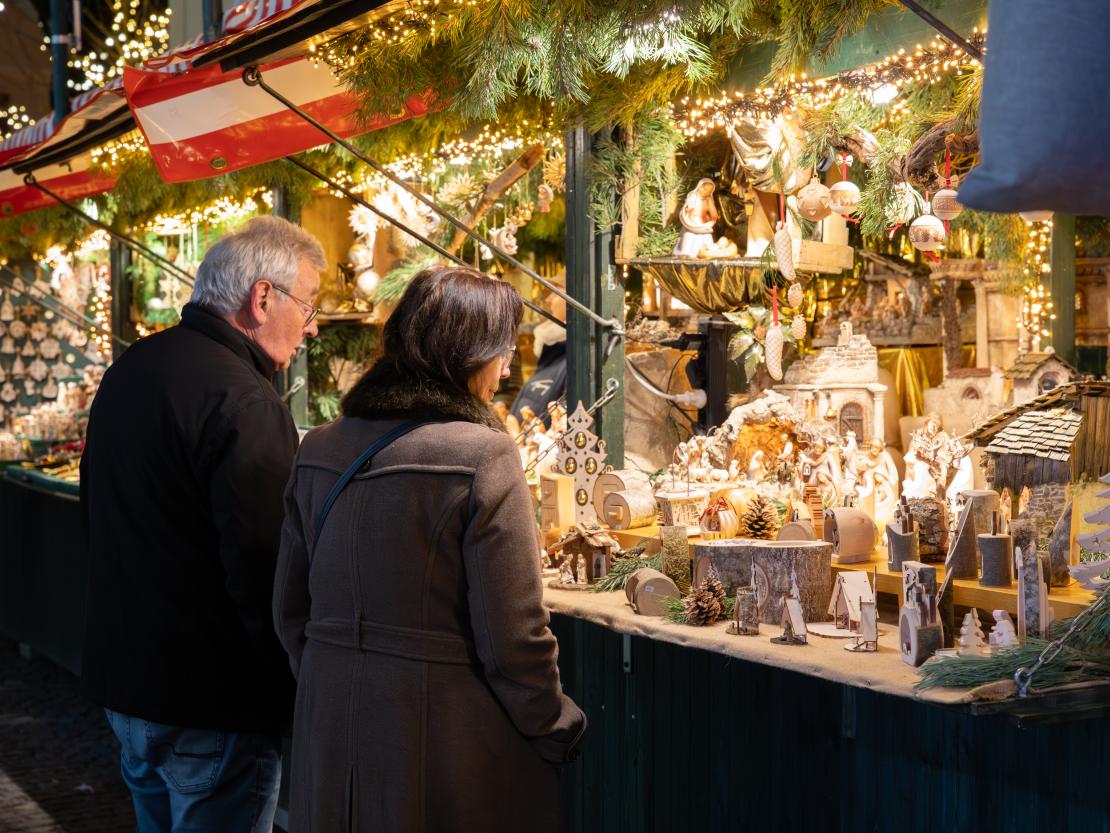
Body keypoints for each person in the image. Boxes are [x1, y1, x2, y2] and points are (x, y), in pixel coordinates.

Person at [274, 266, 586, 833]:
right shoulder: (484, 455)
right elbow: (514, 636)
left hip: (329, 729)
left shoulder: (317, 447)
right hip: (441, 742)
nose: (507, 368)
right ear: (464, 353)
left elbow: (290, 610)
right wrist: (557, 725)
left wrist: (334, 673)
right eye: (500, 350)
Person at [80, 215, 325, 832]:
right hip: (211, 703)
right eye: (308, 305)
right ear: (262, 298)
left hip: (129, 685)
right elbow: (265, 568)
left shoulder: (132, 367)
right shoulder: (245, 399)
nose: (312, 326)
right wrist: (289, 690)